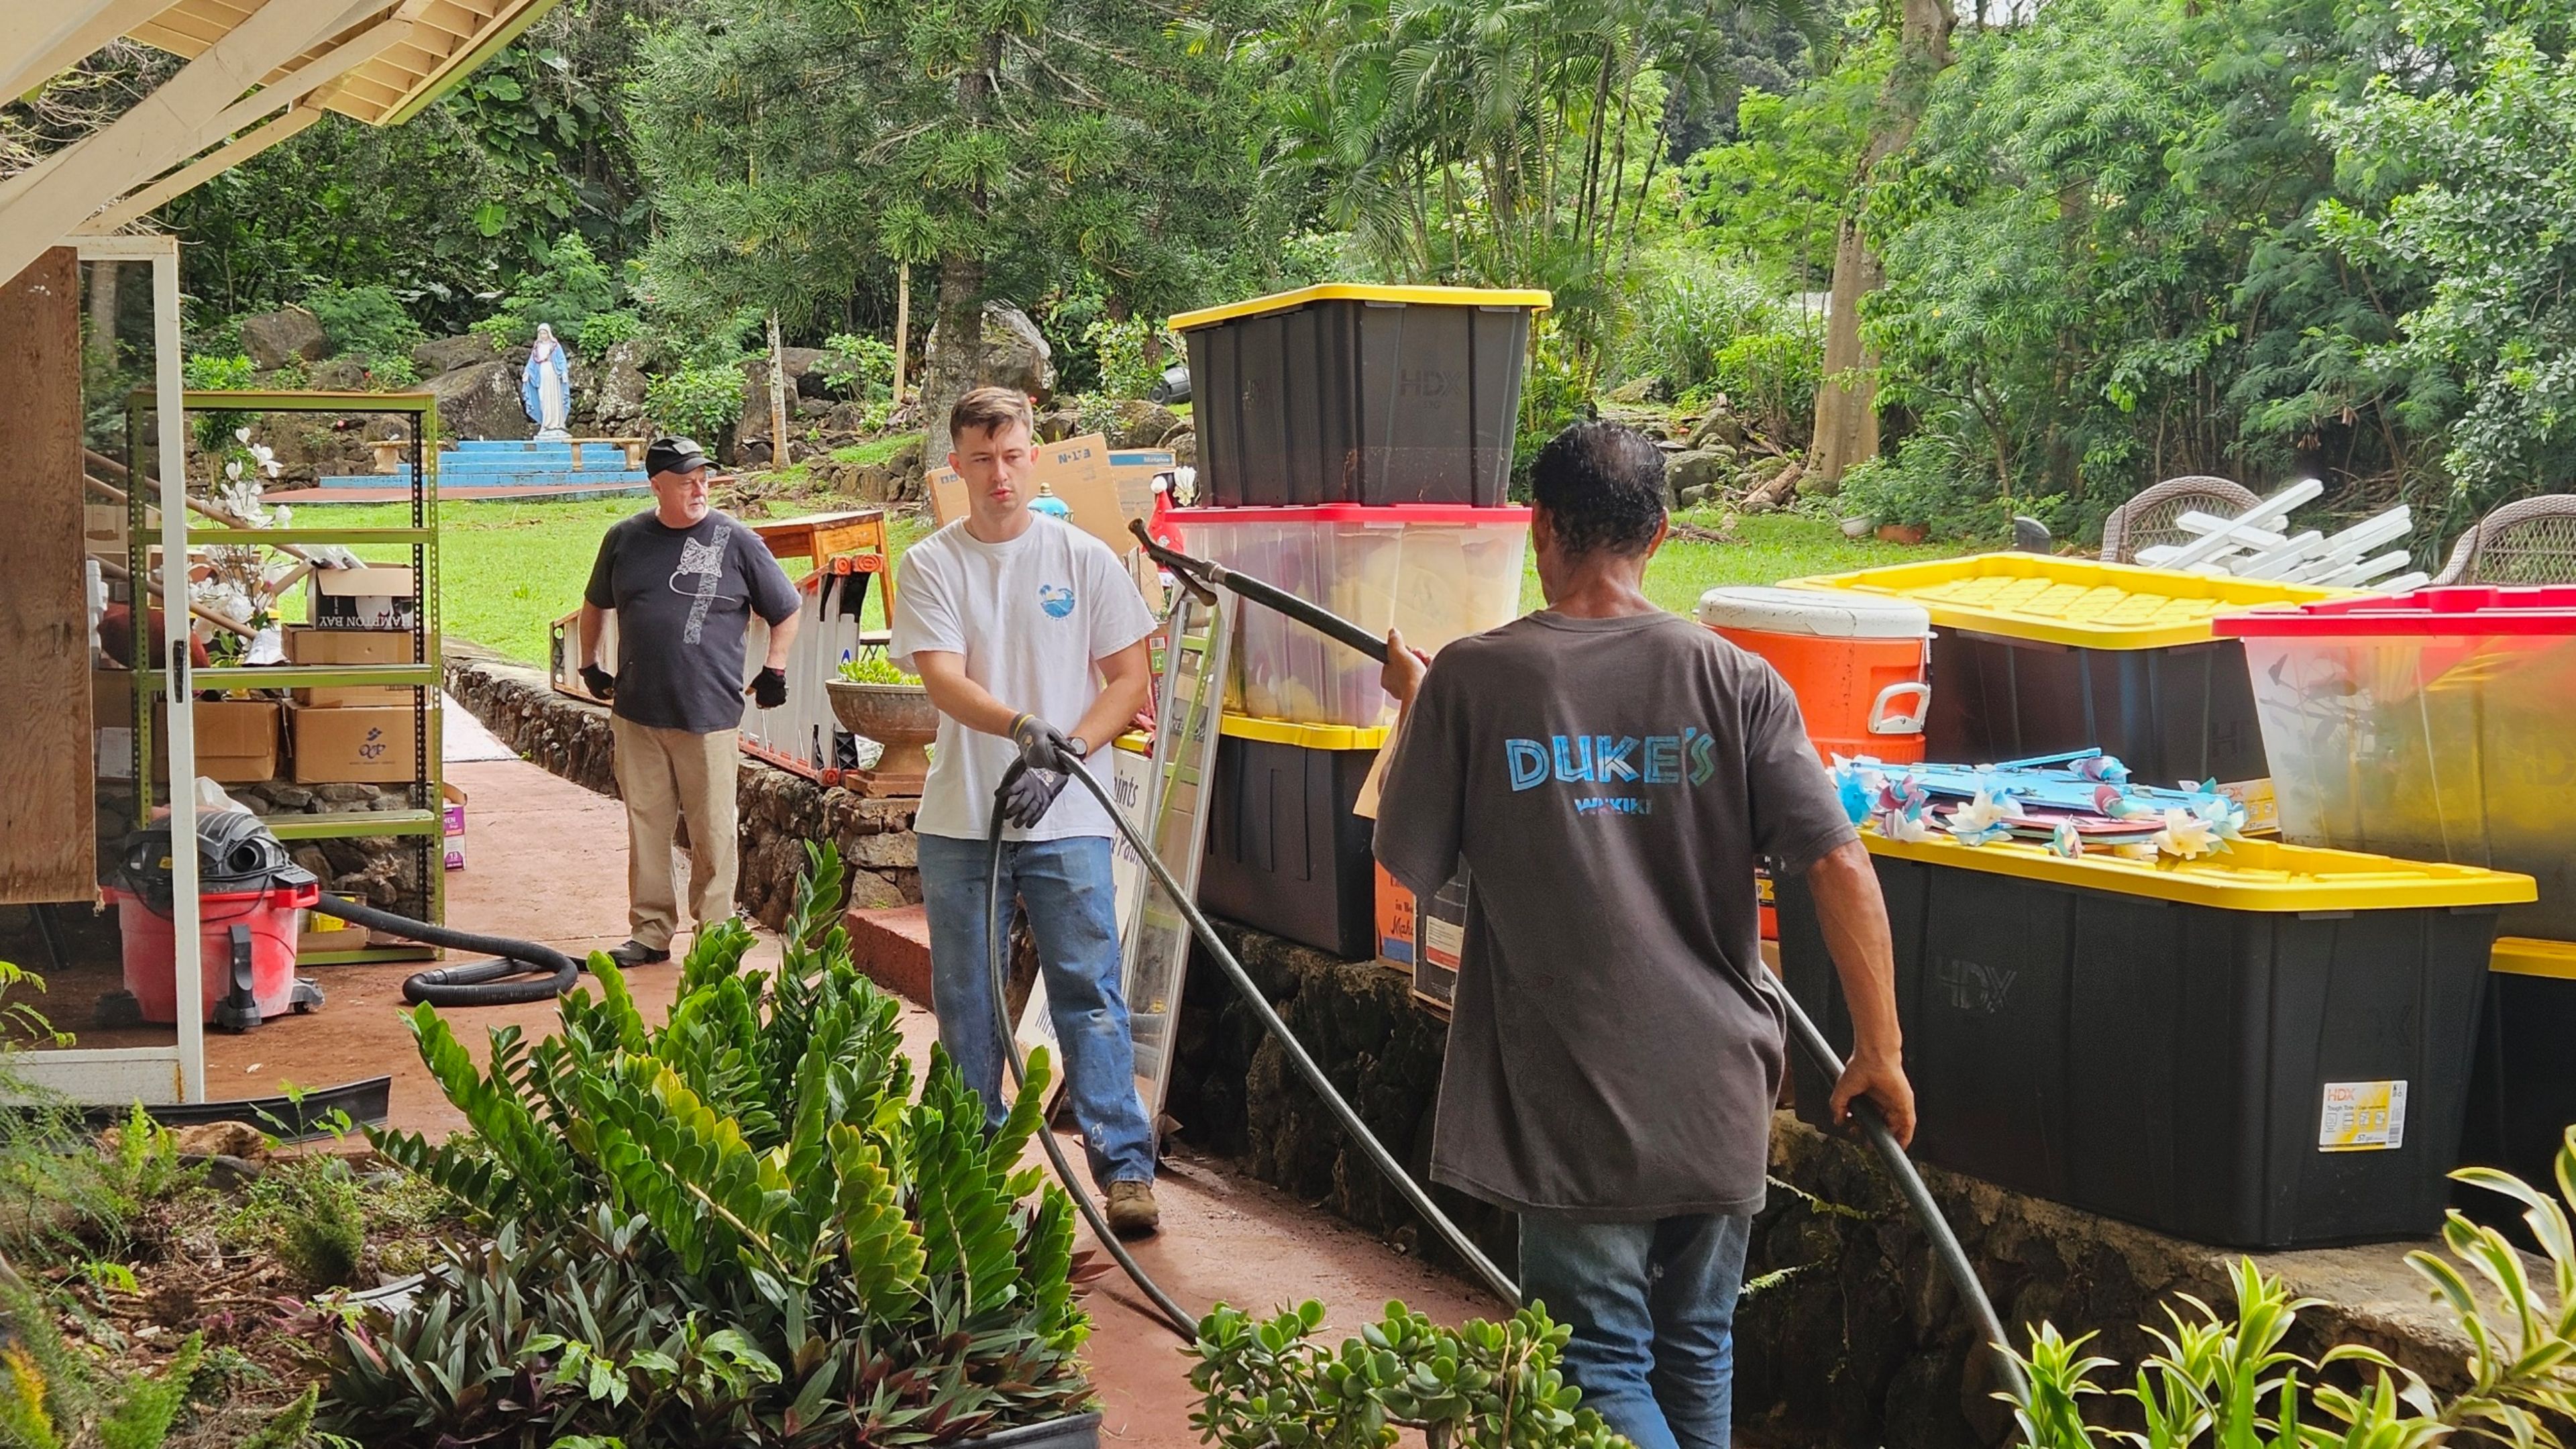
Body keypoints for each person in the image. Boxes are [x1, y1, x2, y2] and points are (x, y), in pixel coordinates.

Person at [1373, 421, 1917, 1449]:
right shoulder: (1739, 680)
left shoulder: (1475, 682)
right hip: (1717, 1088)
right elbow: (1841, 861)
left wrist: (1417, 708)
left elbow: (1409, 860)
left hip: (1575, 1103)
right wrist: (1878, 1050)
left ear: (1540, 529)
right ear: (1660, 535)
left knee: (1595, 1365)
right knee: (1693, 1352)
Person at [890, 386, 1165, 1236]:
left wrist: (1068, 754)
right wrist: (1021, 730)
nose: (1000, 474)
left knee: (1089, 987)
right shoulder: (932, 563)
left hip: (1069, 814)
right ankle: (968, 1166)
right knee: (968, 997)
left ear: (1033, 456)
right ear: (958, 466)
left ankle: (1124, 1170)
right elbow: (942, 677)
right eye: (982, 458)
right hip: (963, 815)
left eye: (1013, 456)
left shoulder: (1086, 559)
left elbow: (1129, 682)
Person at [578, 436, 800, 967]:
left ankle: (716, 934)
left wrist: (775, 669)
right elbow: (594, 605)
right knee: (647, 824)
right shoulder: (625, 539)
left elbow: (785, 609)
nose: (699, 487)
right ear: (657, 486)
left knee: (714, 828)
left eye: (703, 476)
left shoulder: (736, 540)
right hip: (637, 711)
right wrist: (588, 664)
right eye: (686, 479)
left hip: (708, 714)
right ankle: (650, 933)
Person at [522, 323, 572, 441]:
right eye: (541, 333)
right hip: (542, 374)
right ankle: (546, 424)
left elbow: (561, 360)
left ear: (548, 333)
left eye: (545, 333)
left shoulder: (555, 346)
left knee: (555, 398)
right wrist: (527, 373)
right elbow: (532, 363)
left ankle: (557, 424)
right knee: (544, 399)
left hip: (554, 373)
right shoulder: (537, 347)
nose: (543, 335)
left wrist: (564, 372)